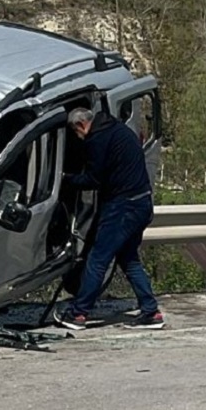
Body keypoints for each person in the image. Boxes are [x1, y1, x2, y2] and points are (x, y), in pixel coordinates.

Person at [57, 107, 164, 330]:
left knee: (97, 259)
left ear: (80, 125)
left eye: (76, 134)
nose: (79, 139)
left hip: (122, 207)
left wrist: (65, 180)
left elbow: (93, 179)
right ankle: (150, 311)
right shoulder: (120, 129)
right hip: (143, 202)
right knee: (129, 259)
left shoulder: (97, 139)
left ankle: (78, 314)